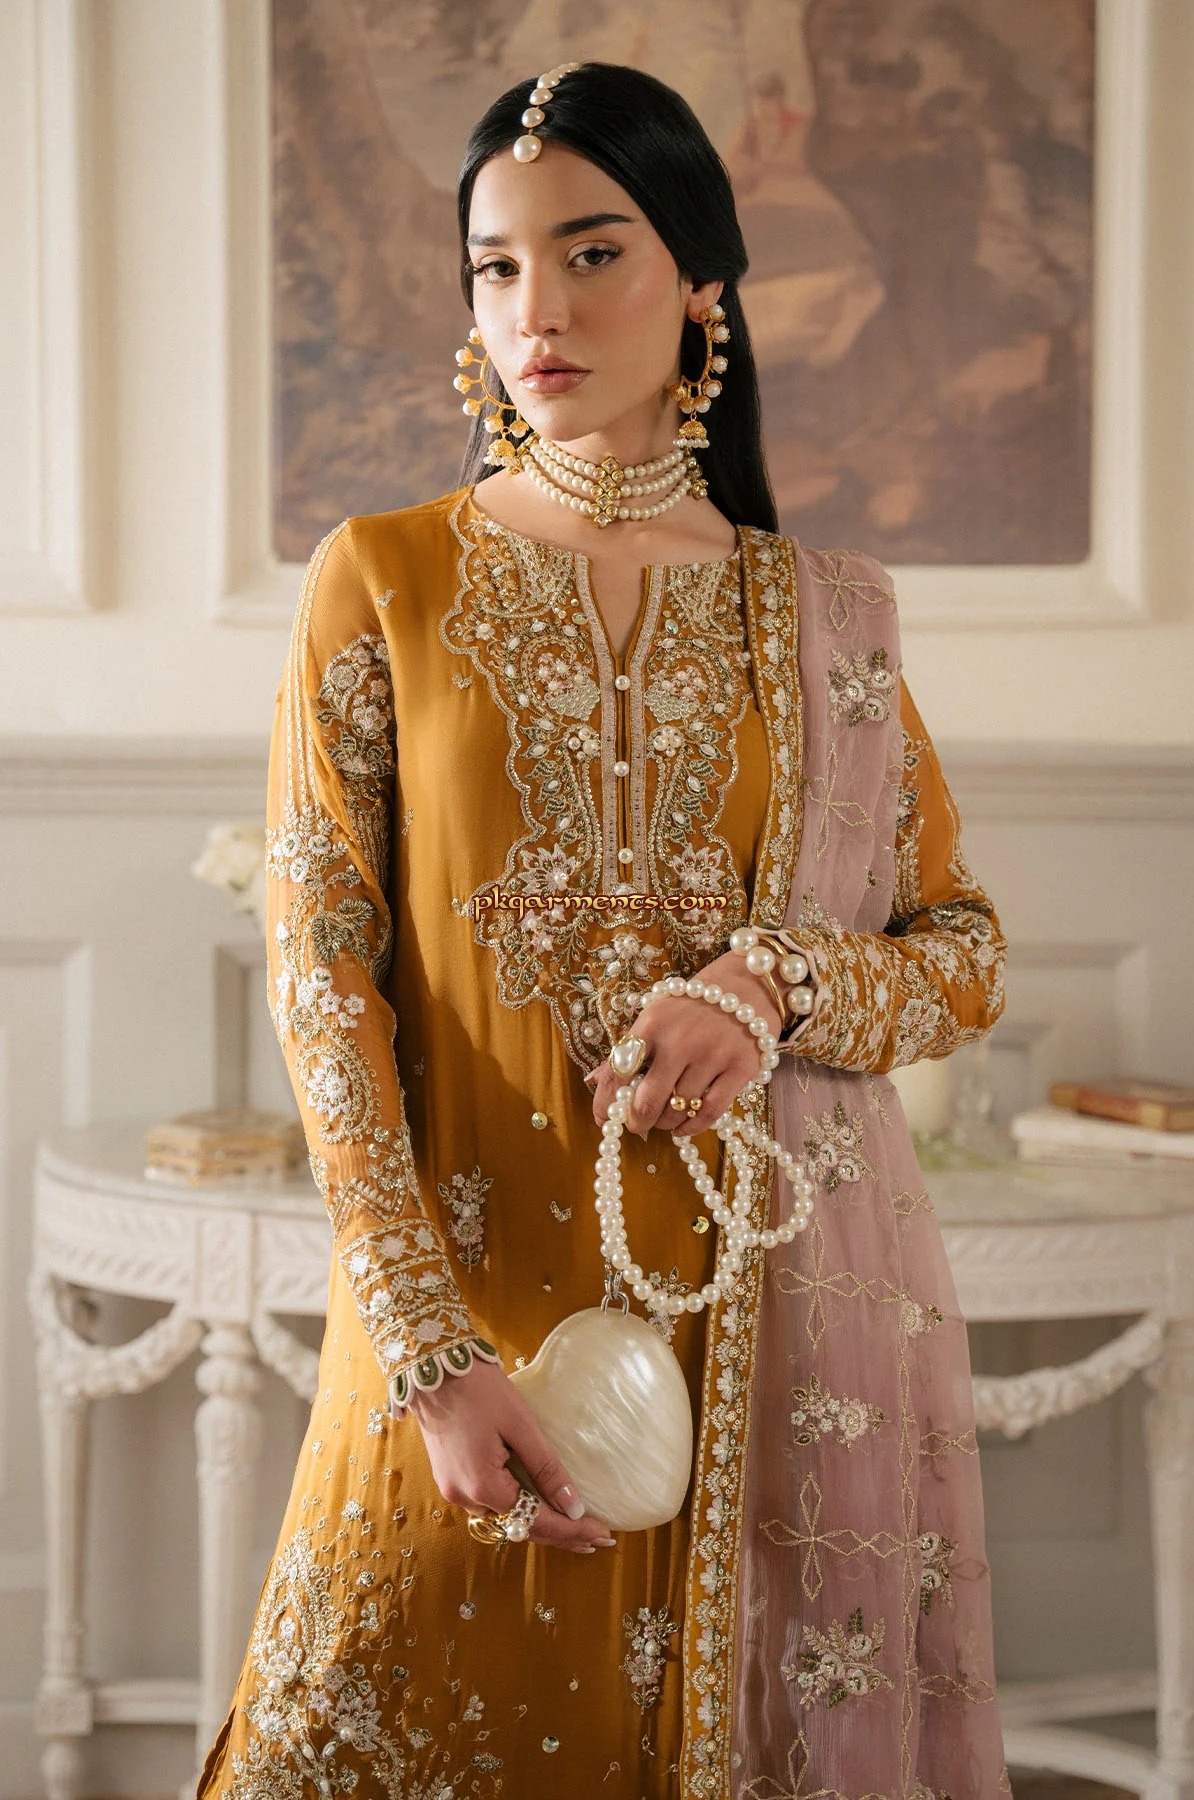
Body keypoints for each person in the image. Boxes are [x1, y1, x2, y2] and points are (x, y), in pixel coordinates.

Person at [198, 61, 1010, 1800]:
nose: (537, 311)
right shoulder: (383, 580)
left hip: (758, 1335)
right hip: (458, 1325)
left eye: (591, 253)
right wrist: (429, 1357)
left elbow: (960, 951)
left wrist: (768, 985)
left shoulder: (827, 616)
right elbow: (321, 978)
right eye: (495, 267)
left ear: (702, 280)